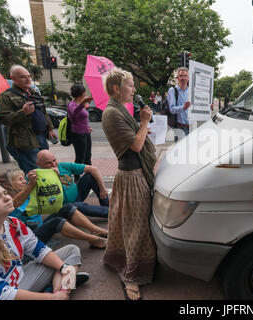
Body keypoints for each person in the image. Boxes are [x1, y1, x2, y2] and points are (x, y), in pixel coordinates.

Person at [101, 67, 156, 300]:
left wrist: (142, 126)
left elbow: (137, 138)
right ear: (117, 88)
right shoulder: (111, 113)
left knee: (126, 223)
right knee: (137, 227)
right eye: (131, 85)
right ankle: (132, 275)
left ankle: (118, 259)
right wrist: (143, 122)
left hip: (133, 174)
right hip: (131, 176)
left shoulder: (119, 110)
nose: (134, 90)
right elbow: (135, 145)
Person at [0, 183, 89, 300]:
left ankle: (61, 291)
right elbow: (1, 294)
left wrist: (64, 268)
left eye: (5, 193)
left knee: (71, 250)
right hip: (8, 293)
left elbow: (38, 249)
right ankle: (59, 287)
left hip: (23, 278)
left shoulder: (13, 223)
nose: (7, 197)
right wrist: (50, 297)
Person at [0, 169, 107, 248]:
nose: (25, 181)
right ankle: (93, 239)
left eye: (24, 178)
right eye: (20, 179)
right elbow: (15, 203)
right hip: (27, 238)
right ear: (10, 184)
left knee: (67, 207)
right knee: (57, 222)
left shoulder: (27, 190)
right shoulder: (7, 201)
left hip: (40, 227)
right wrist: (30, 186)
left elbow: (50, 196)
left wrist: (52, 174)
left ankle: (95, 230)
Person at [0, 65, 57, 174]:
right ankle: (34, 190)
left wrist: (50, 129)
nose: (28, 79)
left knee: (47, 169)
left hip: (41, 138)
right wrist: (23, 112)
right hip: (25, 142)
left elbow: (43, 112)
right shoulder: (6, 96)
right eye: (22, 77)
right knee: (35, 173)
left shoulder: (34, 92)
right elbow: (3, 119)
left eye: (28, 76)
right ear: (14, 78)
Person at [36, 150, 109, 219]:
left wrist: (102, 189)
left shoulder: (63, 166)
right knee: (78, 206)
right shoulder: (36, 176)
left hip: (77, 195)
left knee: (89, 176)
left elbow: (94, 169)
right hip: (63, 207)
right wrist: (51, 175)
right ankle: (112, 213)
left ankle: (107, 205)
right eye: (48, 163)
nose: (53, 164)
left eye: (54, 160)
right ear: (39, 164)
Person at [68, 83, 94, 181]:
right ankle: (77, 178)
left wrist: (88, 127)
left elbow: (82, 119)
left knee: (88, 156)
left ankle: (90, 175)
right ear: (81, 93)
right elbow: (74, 114)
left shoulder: (80, 104)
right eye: (84, 92)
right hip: (78, 134)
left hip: (86, 132)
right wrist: (83, 102)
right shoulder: (72, 105)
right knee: (80, 157)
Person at [168, 67, 191, 136]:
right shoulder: (172, 90)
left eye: (185, 76)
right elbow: (172, 109)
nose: (183, 78)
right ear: (177, 78)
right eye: (181, 76)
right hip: (180, 128)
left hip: (192, 127)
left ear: (188, 78)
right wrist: (183, 107)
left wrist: (207, 107)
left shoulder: (191, 91)